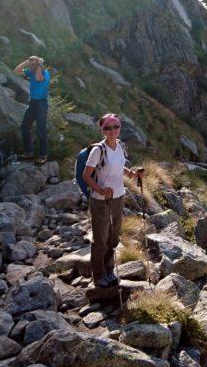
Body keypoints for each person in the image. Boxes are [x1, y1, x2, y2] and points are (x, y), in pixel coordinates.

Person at [82, 113, 145, 288]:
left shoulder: (119, 146)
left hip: (118, 197)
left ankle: (109, 270)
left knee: (113, 237)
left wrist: (131, 174)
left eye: (115, 127)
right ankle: (99, 275)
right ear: (102, 130)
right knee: (101, 239)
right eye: (108, 128)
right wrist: (101, 189)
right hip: (101, 200)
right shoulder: (98, 150)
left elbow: (118, 165)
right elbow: (86, 176)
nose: (112, 131)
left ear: (119, 128)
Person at [14, 55, 50, 165]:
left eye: (33, 61)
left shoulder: (44, 72)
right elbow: (16, 71)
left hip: (42, 104)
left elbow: (39, 78)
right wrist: (26, 62)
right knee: (24, 127)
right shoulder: (31, 71)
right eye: (31, 60)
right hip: (33, 103)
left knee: (41, 130)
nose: (31, 62)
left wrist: (39, 64)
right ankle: (28, 152)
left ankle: (43, 155)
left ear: (39, 63)